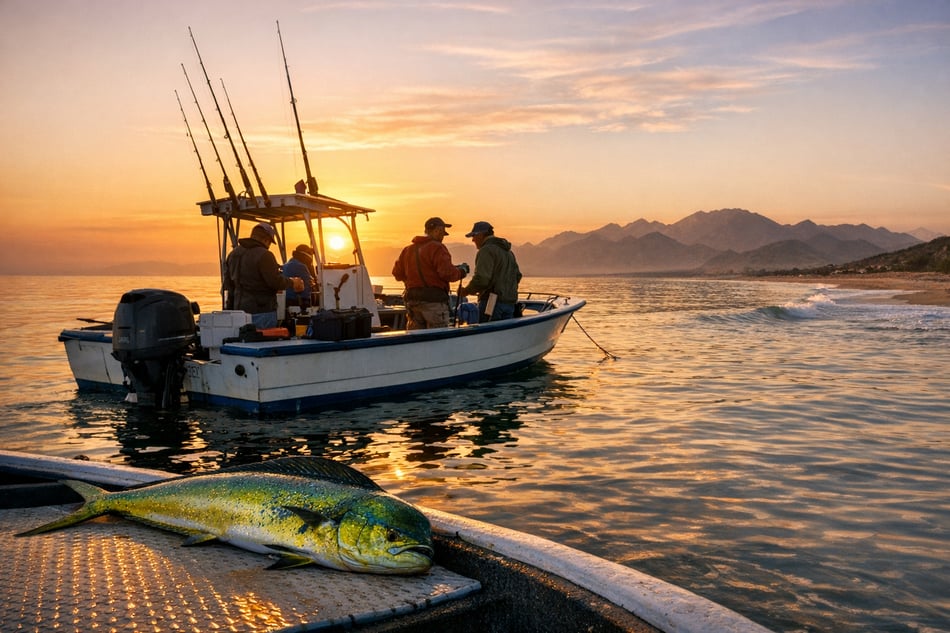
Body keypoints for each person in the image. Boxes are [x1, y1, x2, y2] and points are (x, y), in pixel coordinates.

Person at [392, 217, 469, 329]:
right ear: (437, 230)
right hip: (434, 304)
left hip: (413, 304)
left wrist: (411, 281)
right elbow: (447, 273)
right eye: (443, 233)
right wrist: (462, 271)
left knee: (417, 340)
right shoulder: (437, 248)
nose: (443, 237)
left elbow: (397, 274)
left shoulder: (407, 250)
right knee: (438, 340)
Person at [223, 222, 303, 329]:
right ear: (266, 240)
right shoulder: (265, 255)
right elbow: (275, 282)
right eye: (269, 243)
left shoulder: (233, 255)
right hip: (261, 313)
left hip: (238, 314)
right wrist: (293, 282)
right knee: (262, 342)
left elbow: (228, 285)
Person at [461, 221, 522, 322]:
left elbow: (482, 279)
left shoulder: (486, 250)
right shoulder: (508, 252)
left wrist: (466, 291)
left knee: (487, 334)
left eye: (474, 236)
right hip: (510, 303)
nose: (473, 240)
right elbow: (518, 276)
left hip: (492, 304)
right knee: (504, 335)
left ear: (481, 234)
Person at [283, 244, 317, 310]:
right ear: (305, 255)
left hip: (286, 299)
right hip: (296, 301)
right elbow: (307, 286)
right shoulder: (300, 266)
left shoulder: (287, 265)